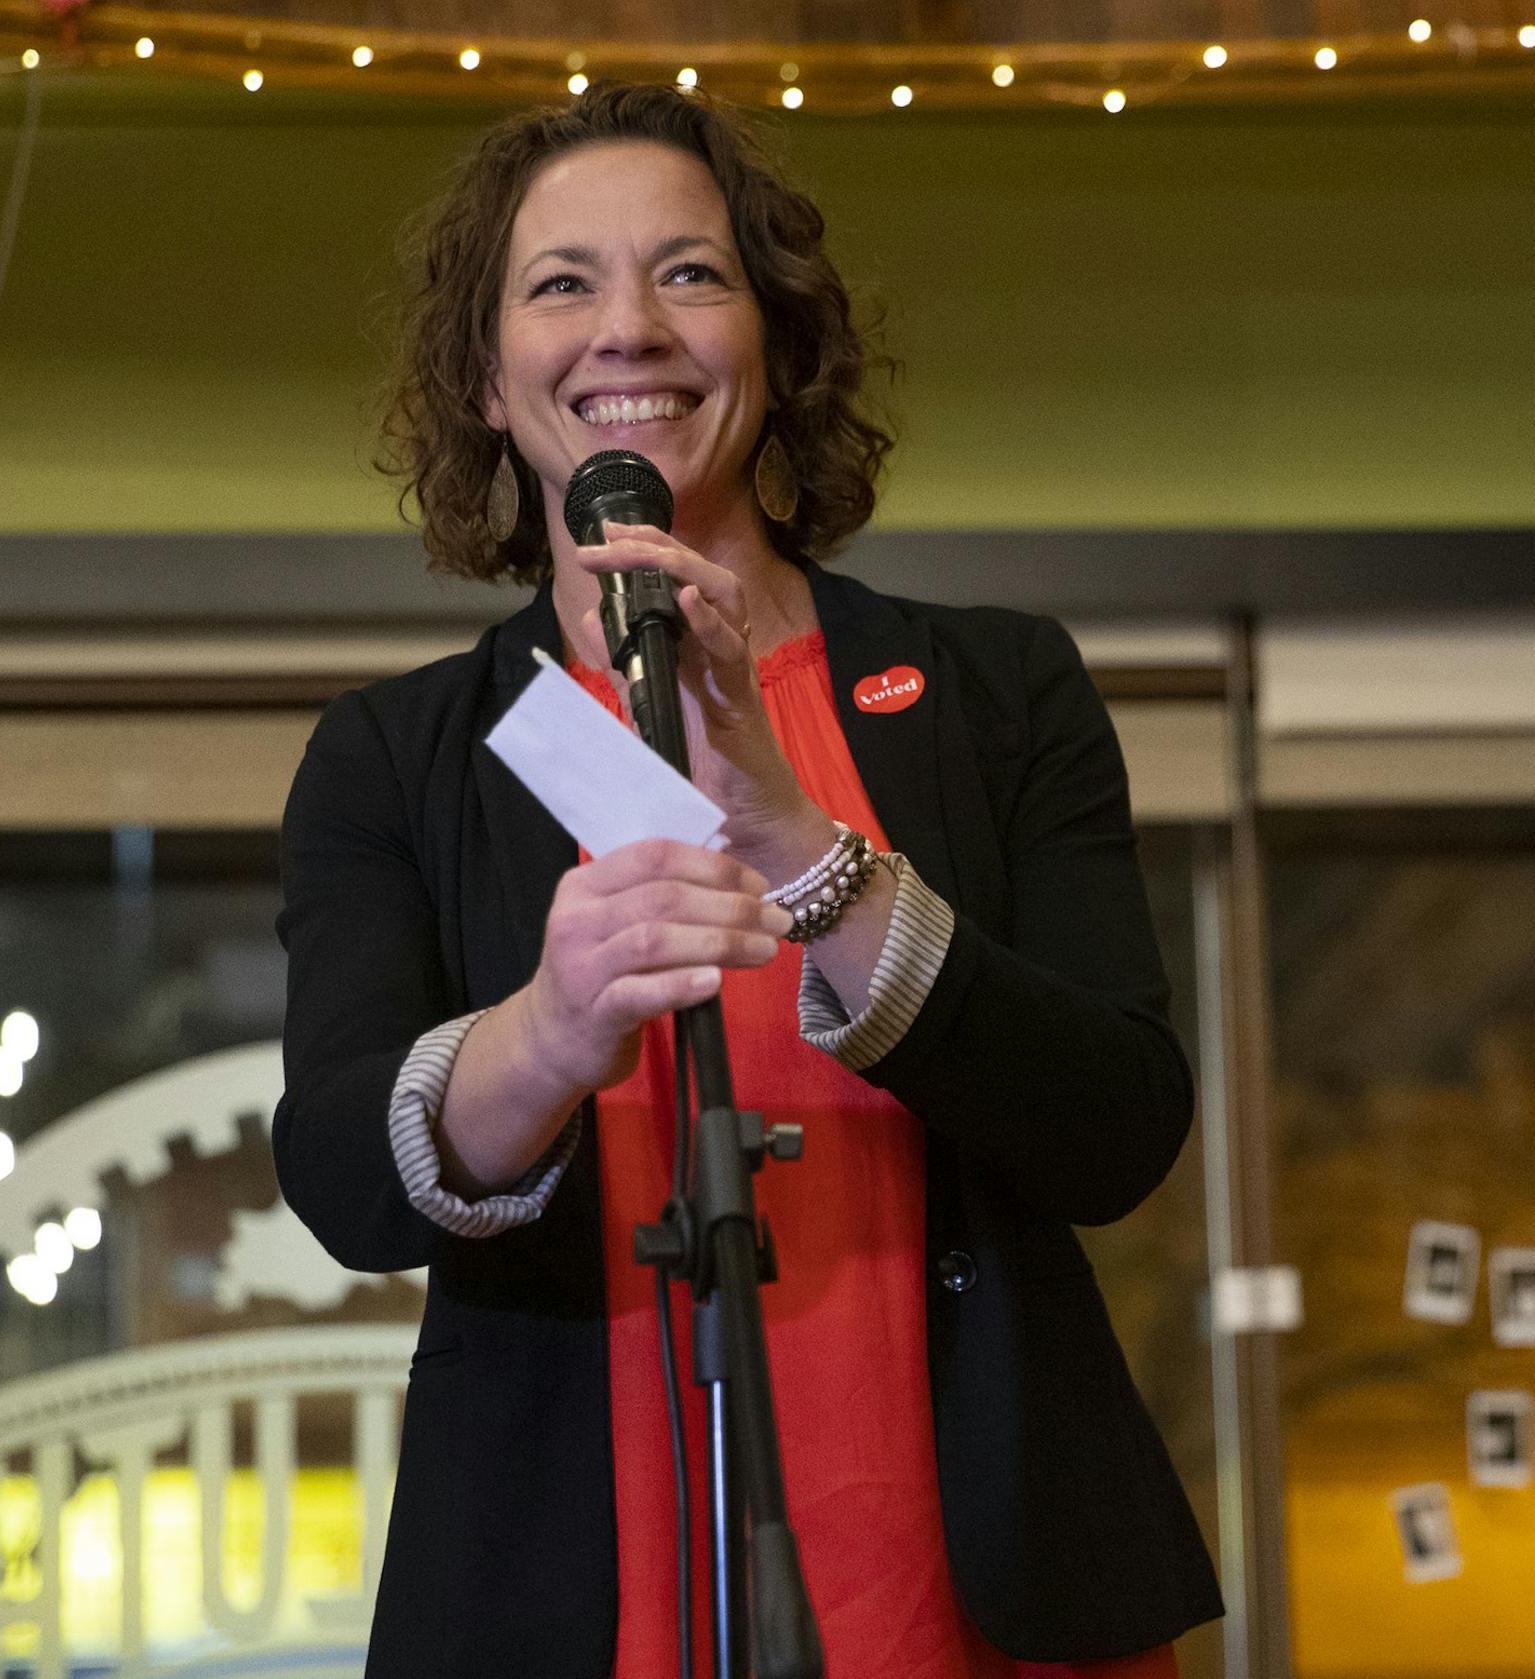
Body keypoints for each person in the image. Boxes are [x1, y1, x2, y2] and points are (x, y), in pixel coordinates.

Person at [273, 81, 1219, 1679]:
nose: (627, 329)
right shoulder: (403, 754)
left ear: (775, 351)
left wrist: (802, 847)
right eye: (560, 282)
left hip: (980, 1601)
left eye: (692, 275)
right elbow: (341, 1176)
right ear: (490, 383)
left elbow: (1118, 1124)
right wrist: (548, 1036)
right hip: (575, 1607)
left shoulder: (994, 691)